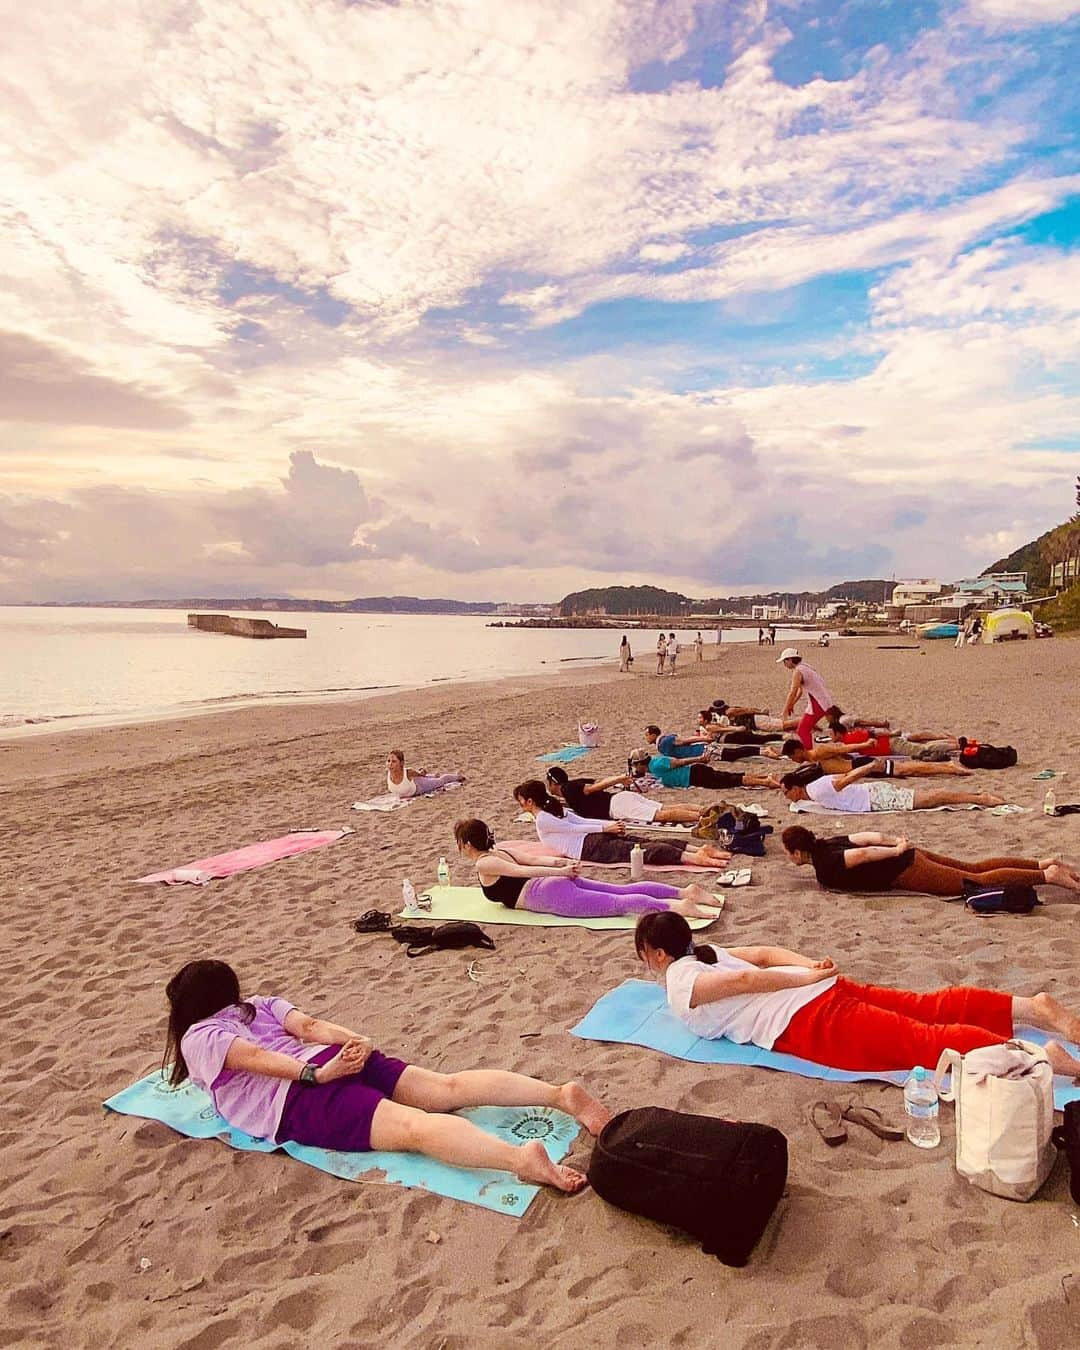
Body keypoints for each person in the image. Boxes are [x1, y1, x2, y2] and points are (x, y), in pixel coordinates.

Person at [163, 960, 609, 1193]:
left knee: (415, 1128)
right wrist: (356, 1042)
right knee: (444, 1088)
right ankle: (560, 1095)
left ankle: (520, 1160)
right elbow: (311, 1028)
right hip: (334, 1055)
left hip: (301, 1092)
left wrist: (315, 1075)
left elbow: (255, 1058)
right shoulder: (259, 1004)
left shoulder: (199, 1036)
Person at [634, 912, 1080, 1075]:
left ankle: (1037, 1056)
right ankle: (1031, 1008)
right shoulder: (709, 952)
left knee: (920, 1042)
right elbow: (766, 955)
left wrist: (803, 977)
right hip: (824, 994)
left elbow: (748, 981)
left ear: (656, 954)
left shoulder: (680, 980)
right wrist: (808, 966)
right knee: (924, 1007)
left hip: (806, 1019)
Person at [454, 819, 724, 919]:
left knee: (617, 902)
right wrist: (559, 864)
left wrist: (560, 870)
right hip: (552, 884)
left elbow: (526, 871)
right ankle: (684, 892)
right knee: (620, 890)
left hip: (545, 893)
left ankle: (678, 907)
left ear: (467, 844)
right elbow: (533, 860)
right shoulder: (500, 851)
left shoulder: (485, 862)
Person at [780, 824, 1080, 897]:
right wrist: (896, 842)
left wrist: (895, 851)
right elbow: (865, 836)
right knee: (973, 867)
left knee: (974, 882)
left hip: (906, 869)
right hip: (912, 855)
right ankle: (1041, 863)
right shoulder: (827, 843)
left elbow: (862, 854)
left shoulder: (825, 864)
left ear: (796, 852)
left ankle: (1047, 876)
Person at [513, 780, 732, 868]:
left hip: (588, 847)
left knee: (644, 849)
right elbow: (578, 823)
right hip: (593, 839)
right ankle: (696, 849)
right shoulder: (554, 809)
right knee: (644, 842)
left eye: (521, 801)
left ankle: (695, 856)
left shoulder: (542, 818)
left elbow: (575, 827)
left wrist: (606, 827)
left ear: (530, 801)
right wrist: (605, 826)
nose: (520, 805)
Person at [780, 765, 1004, 813]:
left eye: (785, 792)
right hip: (873, 794)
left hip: (875, 798)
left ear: (795, 789)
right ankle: (979, 797)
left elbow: (845, 779)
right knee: (930, 799)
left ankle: (982, 798)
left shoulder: (817, 789)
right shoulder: (810, 792)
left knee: (931, 799)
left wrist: (869, 767)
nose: (785, 797)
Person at [544, 764, 708, 826]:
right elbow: (597, 782)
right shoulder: (572, 787)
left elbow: (590, 789)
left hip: (616, 806)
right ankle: (704, 810)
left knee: (663, 815)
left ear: (553, 783)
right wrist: (616, 781)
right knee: (666, 807)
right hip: (620, 798)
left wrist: (618, 779)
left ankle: (703, 818)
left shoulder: (567, 789)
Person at [768, 738, 973, 780]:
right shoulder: (814, 759)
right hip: (861, 768)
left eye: (790, 756)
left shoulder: (818, 752)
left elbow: (843, 747)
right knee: (907, 770)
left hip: (864, 765)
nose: (792, 760)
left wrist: (865, 745)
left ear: (797, 752)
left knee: (907, 769)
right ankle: (947, 767)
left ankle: (949, 767)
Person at [638, 747, 779, 793]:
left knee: (733, 780)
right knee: (732, 777)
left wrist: (699, 759)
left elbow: (679, 762)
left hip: (695, 774)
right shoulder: (652, 766)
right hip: (694, 775)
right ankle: (764, 777)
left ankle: (767, 782)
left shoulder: (656, 764)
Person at [777, 649, 835, 749]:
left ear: (790, 660)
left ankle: (808, 753)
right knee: (834, 728)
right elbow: (800, 690)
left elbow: (793, 691)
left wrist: (785, 710)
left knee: (803, 730)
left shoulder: (798, 671)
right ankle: (808, 751)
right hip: (824, 700)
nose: (784, 664)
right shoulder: (806, 667)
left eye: (784, 661)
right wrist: (792, 704)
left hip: (818, 702)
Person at [644, 724, 761, 764]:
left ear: (653, 735)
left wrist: (703, 738)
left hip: (702, 751)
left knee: (734, 753)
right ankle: (760, 751)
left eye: (647, 735)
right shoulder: (661, 744)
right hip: (700, 752)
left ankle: (761, 751)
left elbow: (686, 740)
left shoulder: (665, 740)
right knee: (733, 754)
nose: (646, 738)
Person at [386, 750, 465, 799]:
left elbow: (421, 775)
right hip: (412, 783)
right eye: (388, 761)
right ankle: (432, 776)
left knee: (440, 781)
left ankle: (456, 776)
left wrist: (423, 772)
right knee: (428, 778)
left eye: (394, 761)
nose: (390, 764)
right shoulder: (389, 774)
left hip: (420, 786)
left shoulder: (408, 772)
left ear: (401, 763)